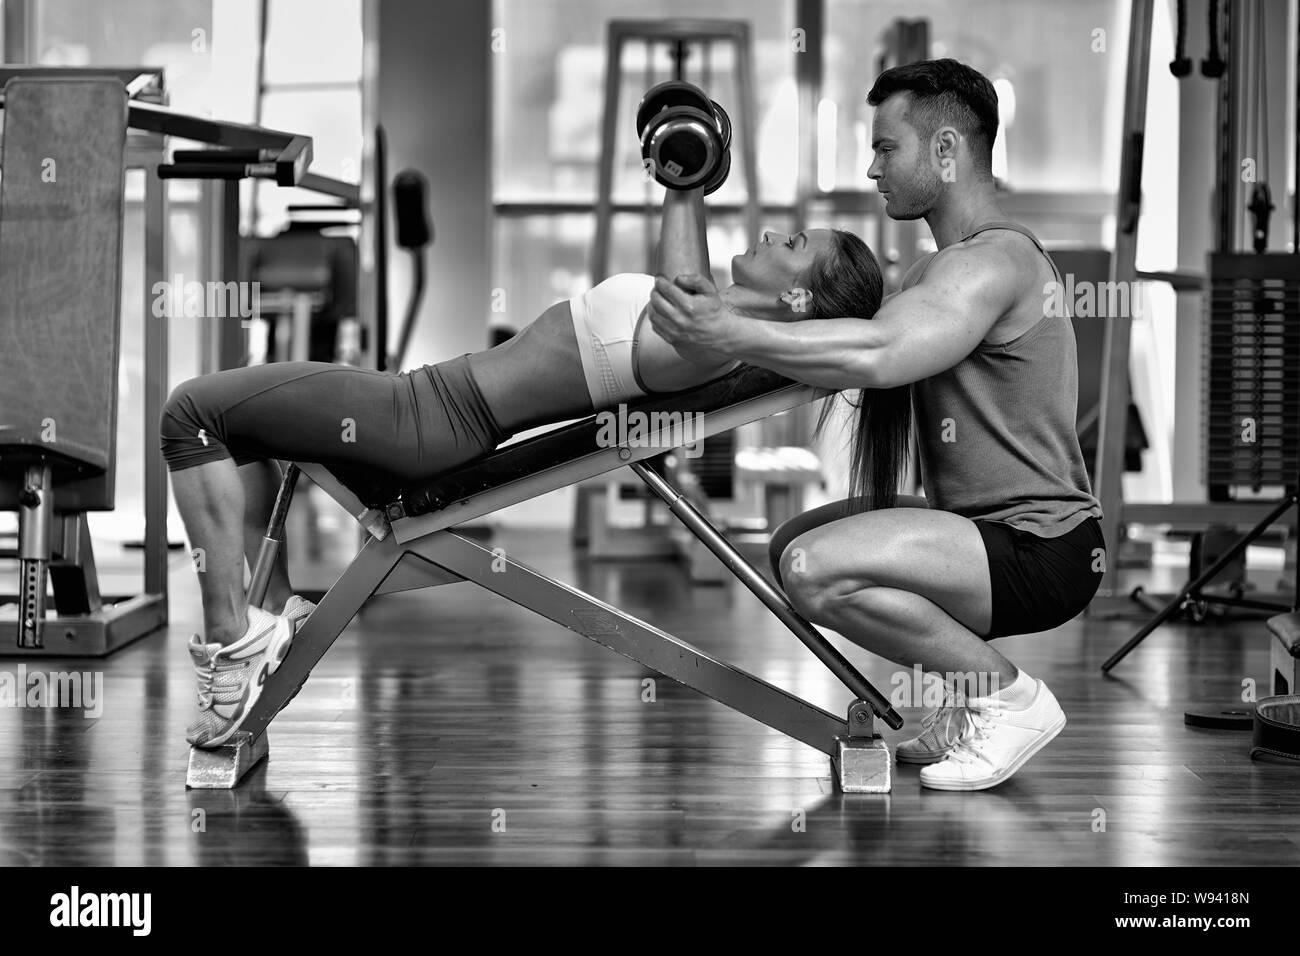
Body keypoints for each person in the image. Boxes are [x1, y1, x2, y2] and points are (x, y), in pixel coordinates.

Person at [161, 120, 899, 749]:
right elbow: (691, 293)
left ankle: (232, 645)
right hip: (429, 409)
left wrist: (682, 185)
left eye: (796, 244)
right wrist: (689, 176)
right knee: (243, 424)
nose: (773, 233)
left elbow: (683, 305)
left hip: (425, 419)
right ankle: (272, 614)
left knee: (191, 413)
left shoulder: (709, 342)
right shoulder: (717, 333)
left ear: (802, 303)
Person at [647, 58, 1105, 792]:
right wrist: (728, 300)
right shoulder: (934, 274)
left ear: (947, 150)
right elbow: (839, 330)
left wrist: (728, 334)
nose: (871, 167)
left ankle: (1009, 698)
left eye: (887, 148)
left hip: (1040, 547)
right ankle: (964, 702)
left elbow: (881, 350)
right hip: (982, 535)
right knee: (792, 544)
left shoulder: (994, 263)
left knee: (814, 567)